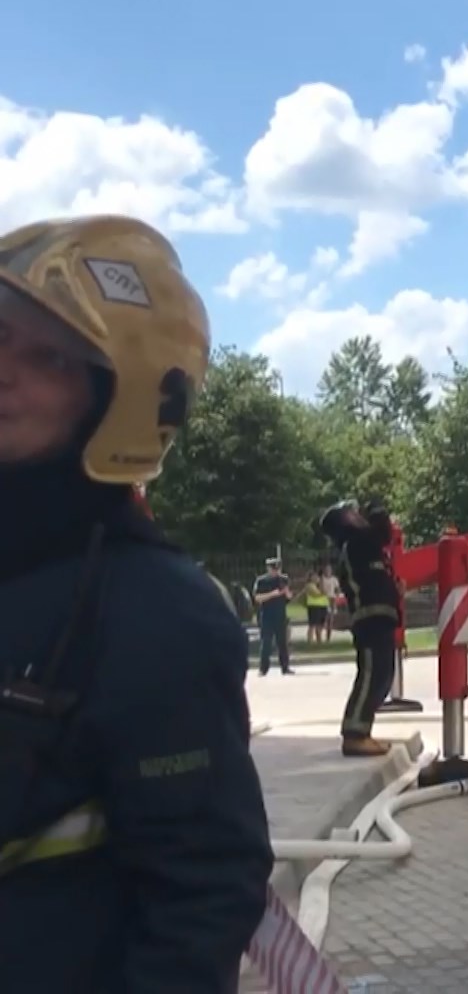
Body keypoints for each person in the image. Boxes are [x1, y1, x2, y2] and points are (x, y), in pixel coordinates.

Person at [0, 214, 273, 989]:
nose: (3, 368)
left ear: (117, 403)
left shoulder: (155, 614)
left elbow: (204, 894)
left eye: (48, 356)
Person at [315, 499, 401, 757]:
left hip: (381, 617)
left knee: (383, 677)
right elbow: (380, 531)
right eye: (353, 513)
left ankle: (363, 731)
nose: (359, 516)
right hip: (370, 619)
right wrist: (375, 508)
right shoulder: (357, 543)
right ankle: (354, 735)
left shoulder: (363, 545)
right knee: (372, 676)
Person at [251, 556, 294, 675]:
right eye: (273, 568)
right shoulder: (261, 581)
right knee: (266, 643)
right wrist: (272, 594)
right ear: (268, 568)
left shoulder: (283, 579)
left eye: (277, 568)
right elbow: (257, 598)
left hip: (280, 614)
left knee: (282, 643)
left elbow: (289, 597)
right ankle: (263, 669)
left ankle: (285, 668)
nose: (276, 571)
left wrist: (287, 593)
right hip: (267, 616)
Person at [300, 567, 330, 644]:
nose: (316, 578)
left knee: (320, 624)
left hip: (322, 605)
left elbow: (326, 592)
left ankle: (319, 640)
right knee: (313, 624)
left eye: (317, 576)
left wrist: (322, 583)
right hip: (314, 606)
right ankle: (309, 641)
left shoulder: (319, 585)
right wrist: (323, 590)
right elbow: (317, 594)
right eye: (314, 576)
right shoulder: (309, 585)